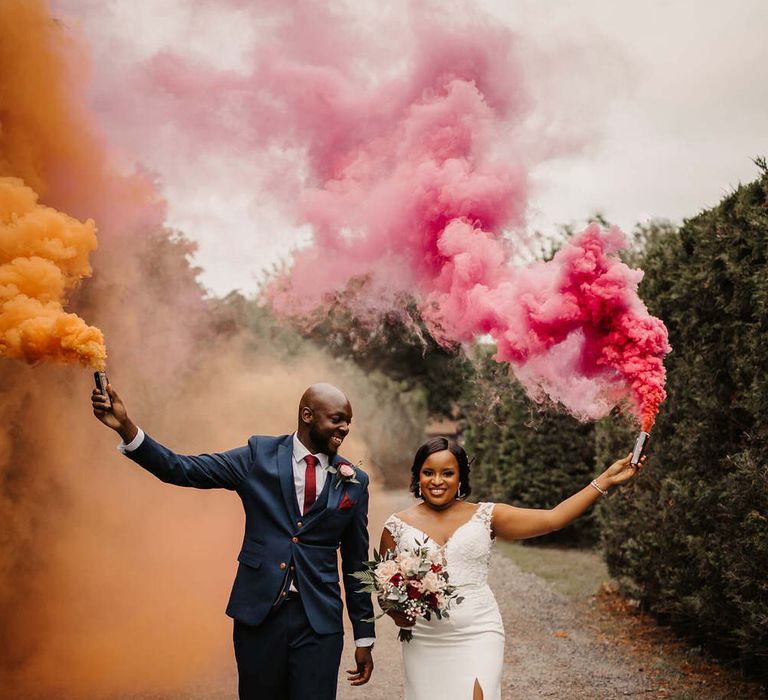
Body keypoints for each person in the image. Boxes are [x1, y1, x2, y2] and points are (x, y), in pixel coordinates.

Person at [91, 382, 375, 700]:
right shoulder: (258, 456)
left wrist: (364, 636)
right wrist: (126, 428)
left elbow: (357, 564)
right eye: (337, 419)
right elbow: (180, 468)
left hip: (319, 623)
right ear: (307, 415)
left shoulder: (354, 482)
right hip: (259, 616)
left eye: (348, 421)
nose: (345, 428)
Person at [380, 437, 644, 700]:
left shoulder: (486, 515)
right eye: (429, 473)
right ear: (418, 476)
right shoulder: (397, 526)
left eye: (447, 473)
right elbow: (384, 587)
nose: (437, 481)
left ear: (460, 477)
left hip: (479, 631)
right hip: (425, 637)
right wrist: (395, 613)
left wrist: (605, 480)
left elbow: (554, 518)